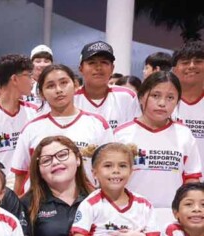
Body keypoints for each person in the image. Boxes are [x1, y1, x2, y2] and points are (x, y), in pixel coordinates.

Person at [11, 64, 114, 196]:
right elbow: (20, 175)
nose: (58, 90)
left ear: (76, 86)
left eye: (64, 83)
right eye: (50, 86)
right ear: (41, 93)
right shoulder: (31, 129)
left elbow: (109, 168)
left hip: (86, 203)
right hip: (40, 207)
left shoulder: (98, 124)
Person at [114, 71, 201, 212]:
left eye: (170, 98)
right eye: (155, 96)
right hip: (130, 215)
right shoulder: (121, 135)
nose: (162, 103)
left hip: (171, 216)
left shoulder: (184, 134)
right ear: (141, 97)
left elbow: (192, 180)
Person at [0, 54, 38, 185]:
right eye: (28, 75)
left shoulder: (35, 111)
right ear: (14, 79)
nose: (32, 80)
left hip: (30, 186)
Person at [74, 41, 141, 130]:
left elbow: (136, 132)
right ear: (81, 69)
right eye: (92, 62)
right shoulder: (71, 98)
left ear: (112, 68)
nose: (98, 67)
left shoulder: (127, 97)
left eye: (104, 62)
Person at [172, 40, 204, 161]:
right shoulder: (160, 103)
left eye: (198, 61)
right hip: (172, 178)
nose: (191, 66)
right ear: (175, 70)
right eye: (185, 62)